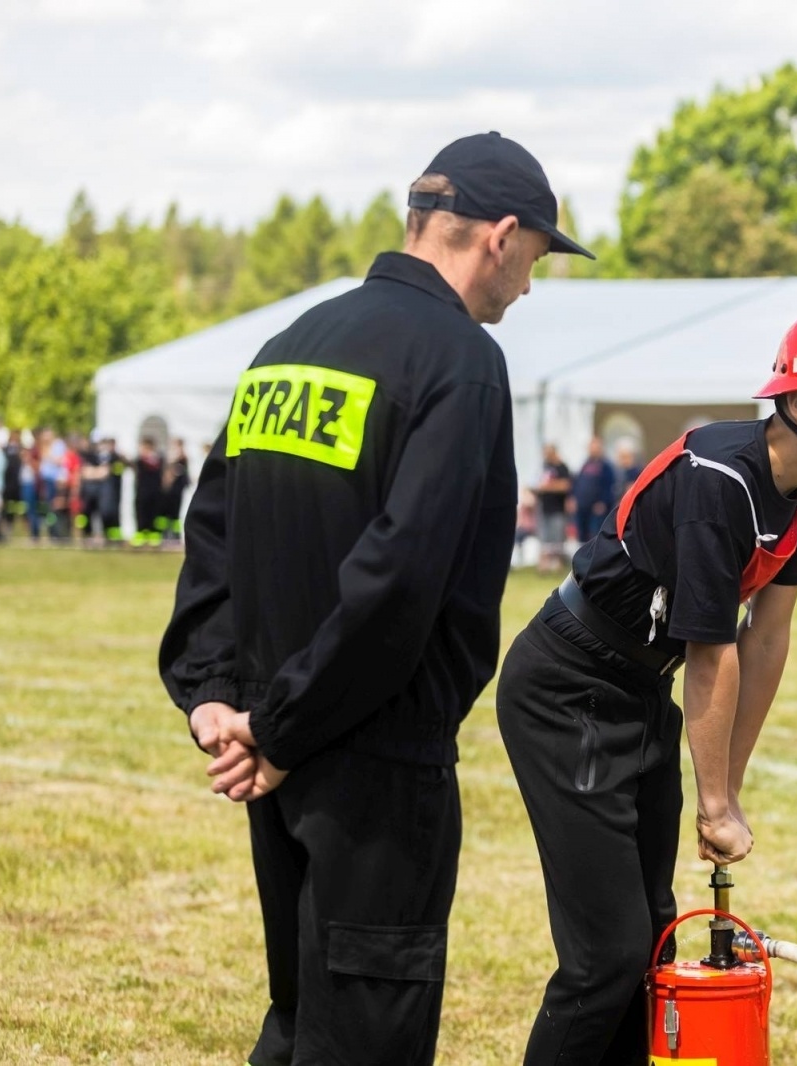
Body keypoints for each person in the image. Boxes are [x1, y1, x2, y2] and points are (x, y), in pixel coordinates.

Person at [158, 130, 592, 1066]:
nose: (528, 287)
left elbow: (214, 533)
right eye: (536, 261)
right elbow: (403, 580)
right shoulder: (460, 363)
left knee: (299, 1018)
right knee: (362, 1038)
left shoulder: (290, 343)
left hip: (275, 752)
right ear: (501, 236)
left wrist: (216, 698)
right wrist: (278, 726)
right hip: (371, 762)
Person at [496, 293, 797, 1064]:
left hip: (637, 690)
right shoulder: (718, 476)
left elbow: (769, 636)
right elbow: (712, 651)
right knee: (605, 958)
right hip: (566, 687)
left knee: (651, 938)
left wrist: (730, 791)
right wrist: (714, 802)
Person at [533, 442, 572, 571]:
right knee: (544, 539)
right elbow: (539, 484)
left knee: (557, 539)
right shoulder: (544, 466)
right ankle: (544, 566)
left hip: (557, 509)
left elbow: (565, 485)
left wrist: (548, 487)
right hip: (544, 507)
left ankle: (558, 564)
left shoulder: (562, 468)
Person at [570, 436, 616, 542]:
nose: (593, 449)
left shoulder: (606, 466)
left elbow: (610, 486)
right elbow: (576, 483)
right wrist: (572, 498)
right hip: (582, 507)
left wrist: (603, 502)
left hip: (596, 508)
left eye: (596, 447)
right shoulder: (584, 464)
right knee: (582, 535)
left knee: (594, 534)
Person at [134, 438, 165, 545]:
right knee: (141, 513)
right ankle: (141, 534)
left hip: (155, 492)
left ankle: (153, 535)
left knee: (153, 513)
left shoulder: (158, 460)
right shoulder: (139, 460)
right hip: (142, 492)